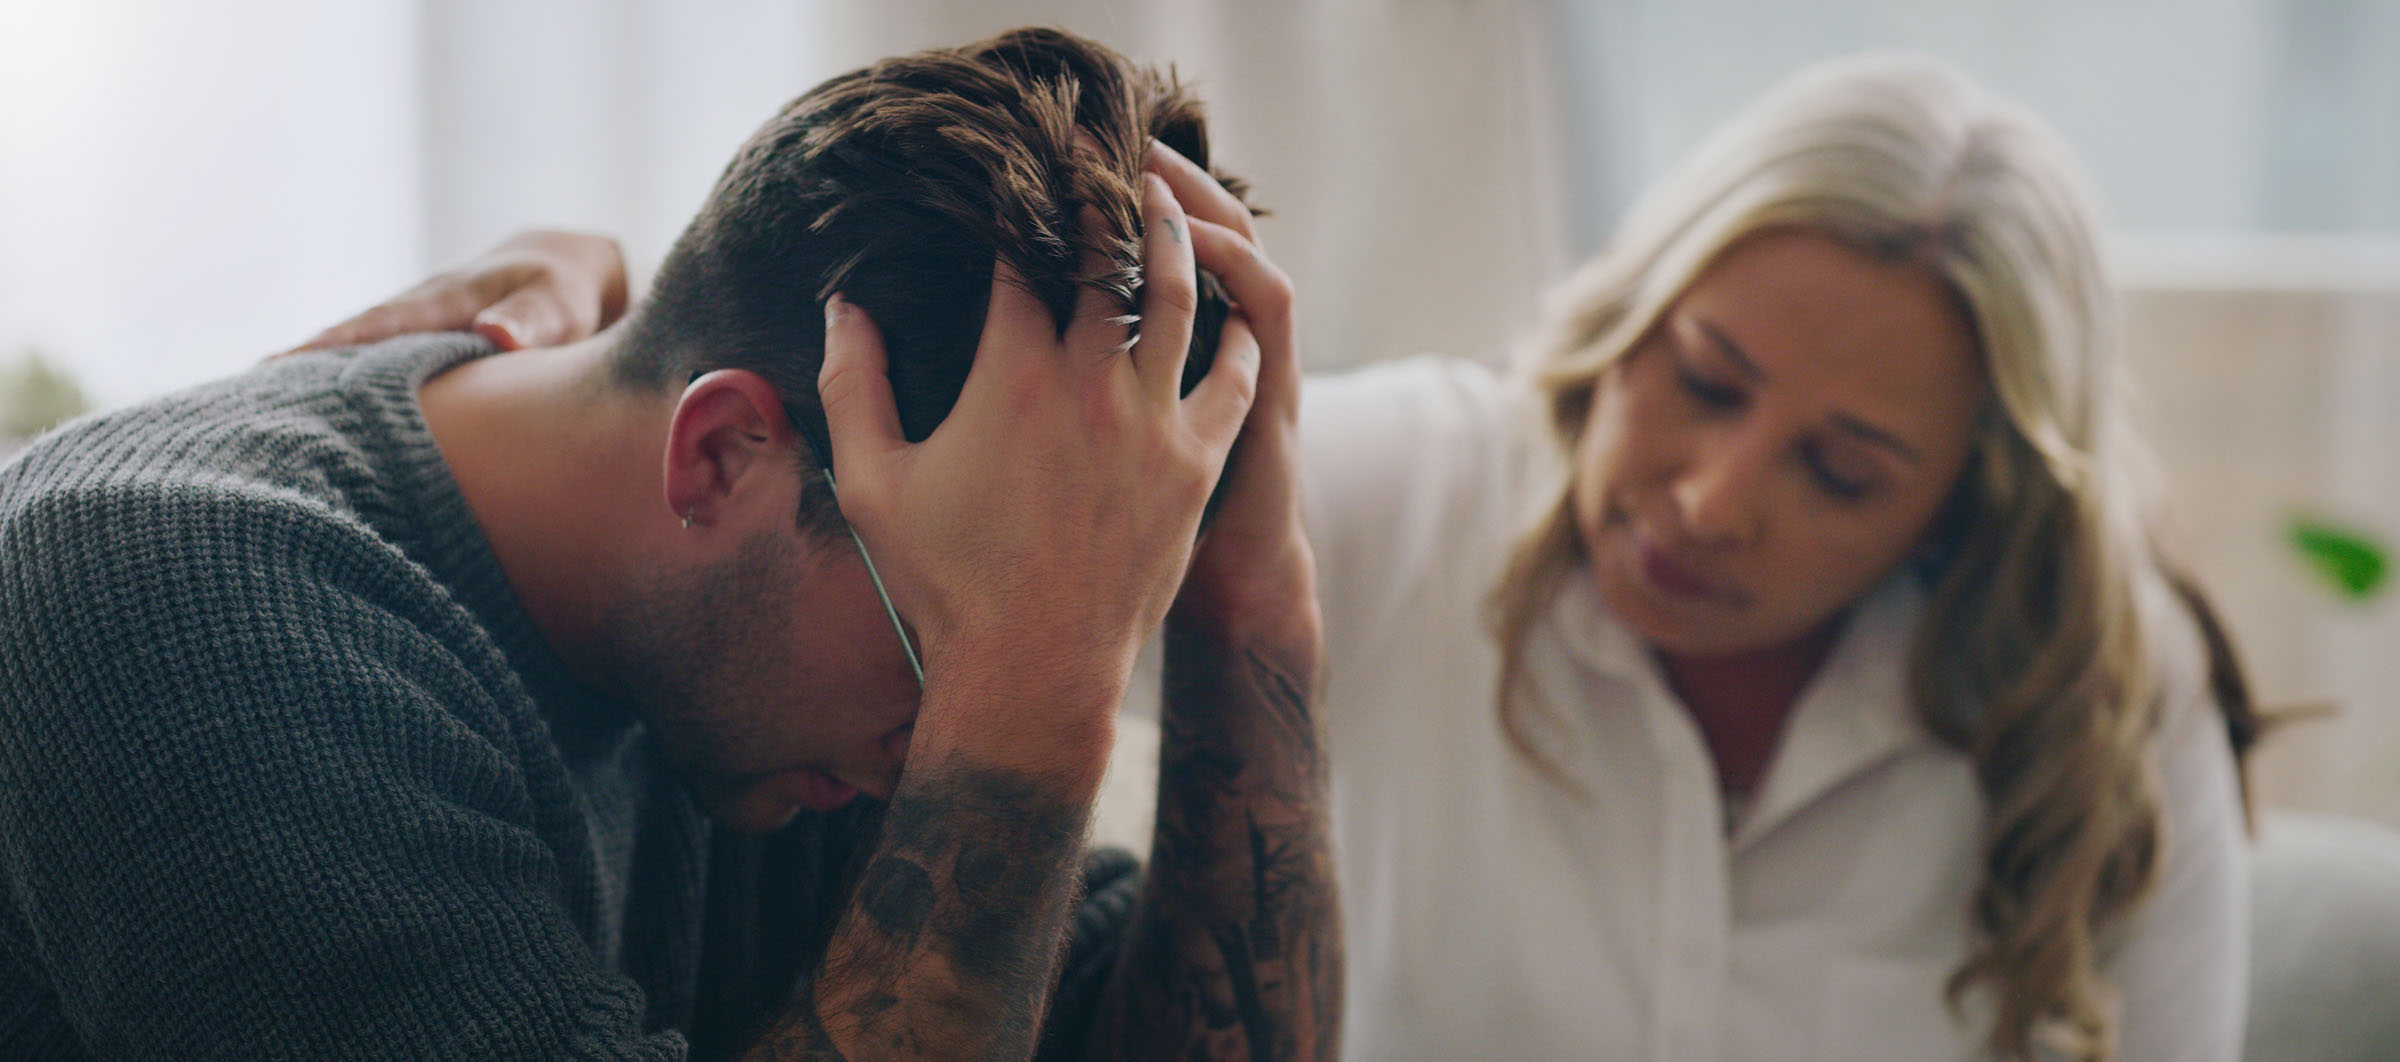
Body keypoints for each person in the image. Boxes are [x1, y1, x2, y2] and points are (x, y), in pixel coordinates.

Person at [310, 52, 2258, 1062]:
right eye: (1703, 378)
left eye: (1845, 467)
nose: (1717, 495)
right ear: (1630, 314)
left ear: (1977, 498)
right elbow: (855, 466)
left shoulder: (2106, 693)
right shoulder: (1411, 489)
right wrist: (576, 298)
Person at [0, 28, 1339, 1061]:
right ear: (720, 456)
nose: (936, 735)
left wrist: (1248, 599)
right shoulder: (183, 614)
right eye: (954, 625)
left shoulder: (774, 693)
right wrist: (1020, 687)